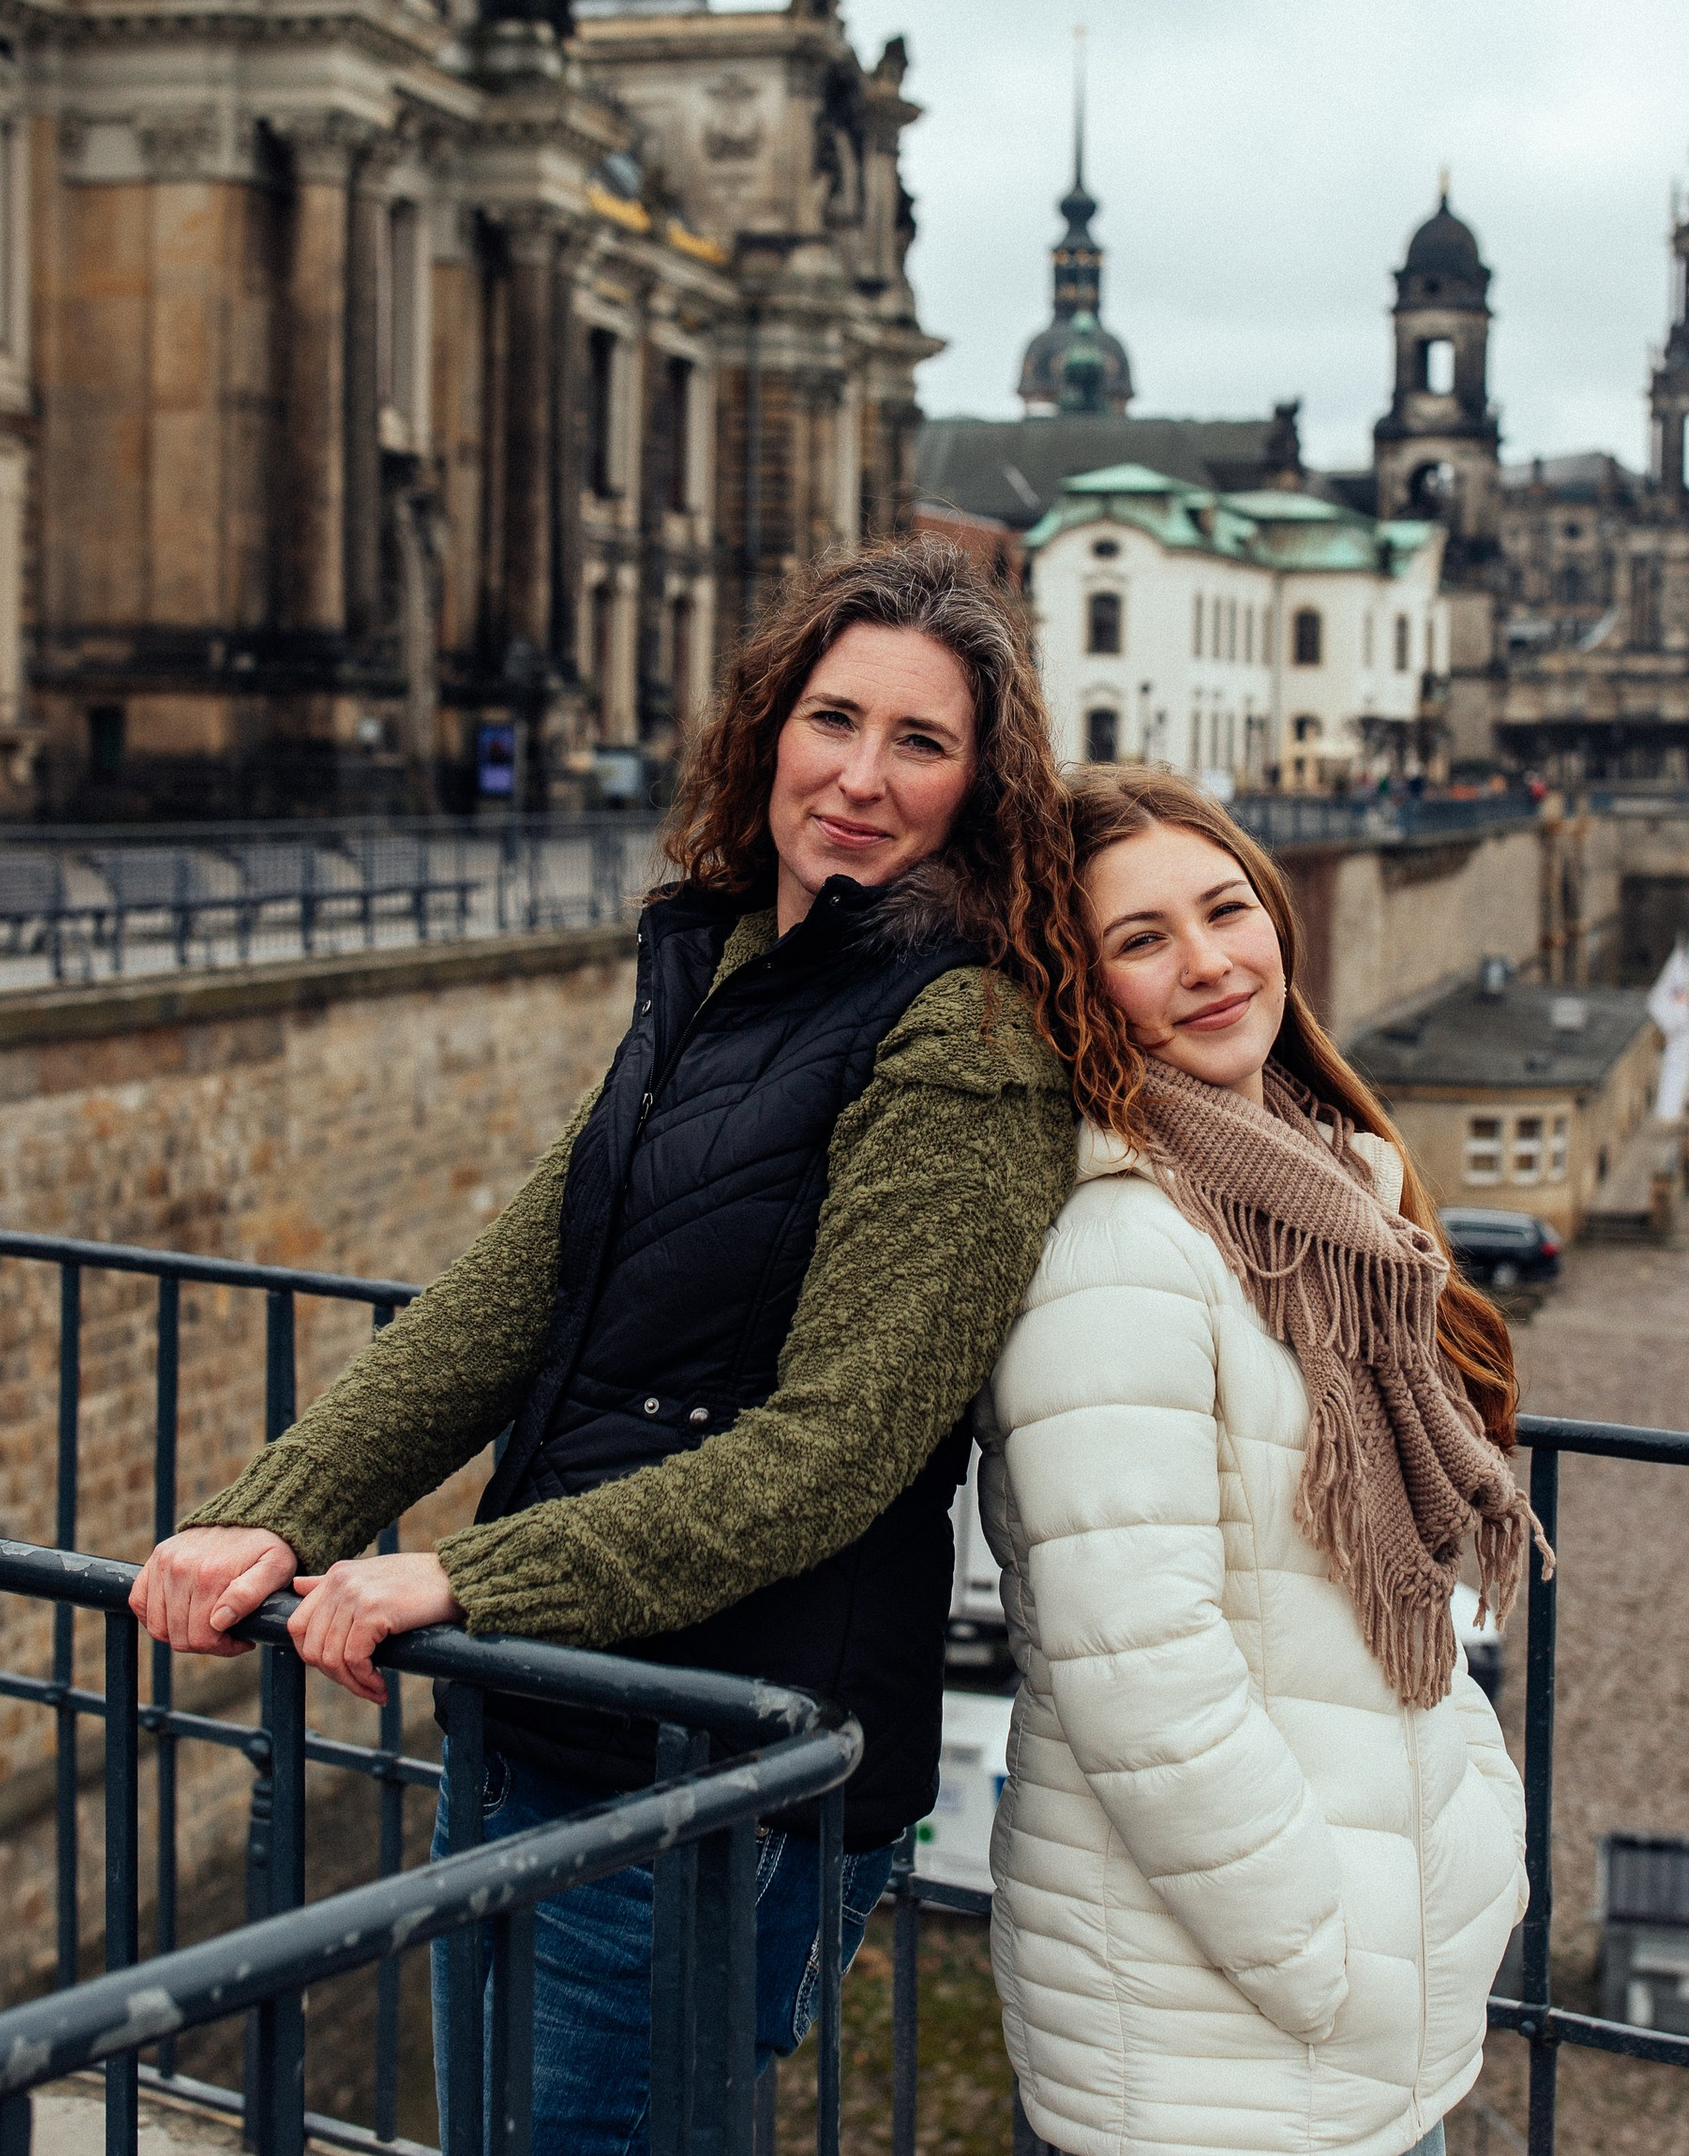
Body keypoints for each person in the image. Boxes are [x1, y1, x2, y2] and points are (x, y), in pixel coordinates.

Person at [129, 538, 1090, 2153]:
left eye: (920, 743)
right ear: (765, 727)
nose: (859, 777)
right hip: (555, 1722)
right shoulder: (721, 972)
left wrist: (464, 1581)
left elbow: (834, 1454)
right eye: (832, 718)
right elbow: (508, 1296)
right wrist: (280, 1507)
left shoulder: (967, 1035)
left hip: (716, 1773)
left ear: (981, 788)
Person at [977, 764, 1540, 2156]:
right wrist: (1326, 1960)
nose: (1211, 963)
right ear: (1076, 984)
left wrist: (1475, 1835)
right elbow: (1142, 1675)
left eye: (1225, 908)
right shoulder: (1120, 1246)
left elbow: (1375, 1611)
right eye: (1141, 940)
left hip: (1341, 2049)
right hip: (1214, 2059)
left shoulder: (1317, 1196)